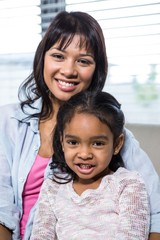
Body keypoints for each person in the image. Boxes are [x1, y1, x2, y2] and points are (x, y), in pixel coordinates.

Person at [0, 10, 159, 240]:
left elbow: (156, 212)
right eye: (58, 56)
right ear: (42, 57)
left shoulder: (115, 136)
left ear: (96, 69)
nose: (69, 70)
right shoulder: (8, 122)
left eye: (83, 61)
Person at [30, 90, 150, 239]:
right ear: (62, 142)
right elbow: (41, 235)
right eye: (73, 142)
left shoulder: (128, 184)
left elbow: (132, 235)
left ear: (117, 144)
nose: (85, 154)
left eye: (98, 143)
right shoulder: (52, 187)